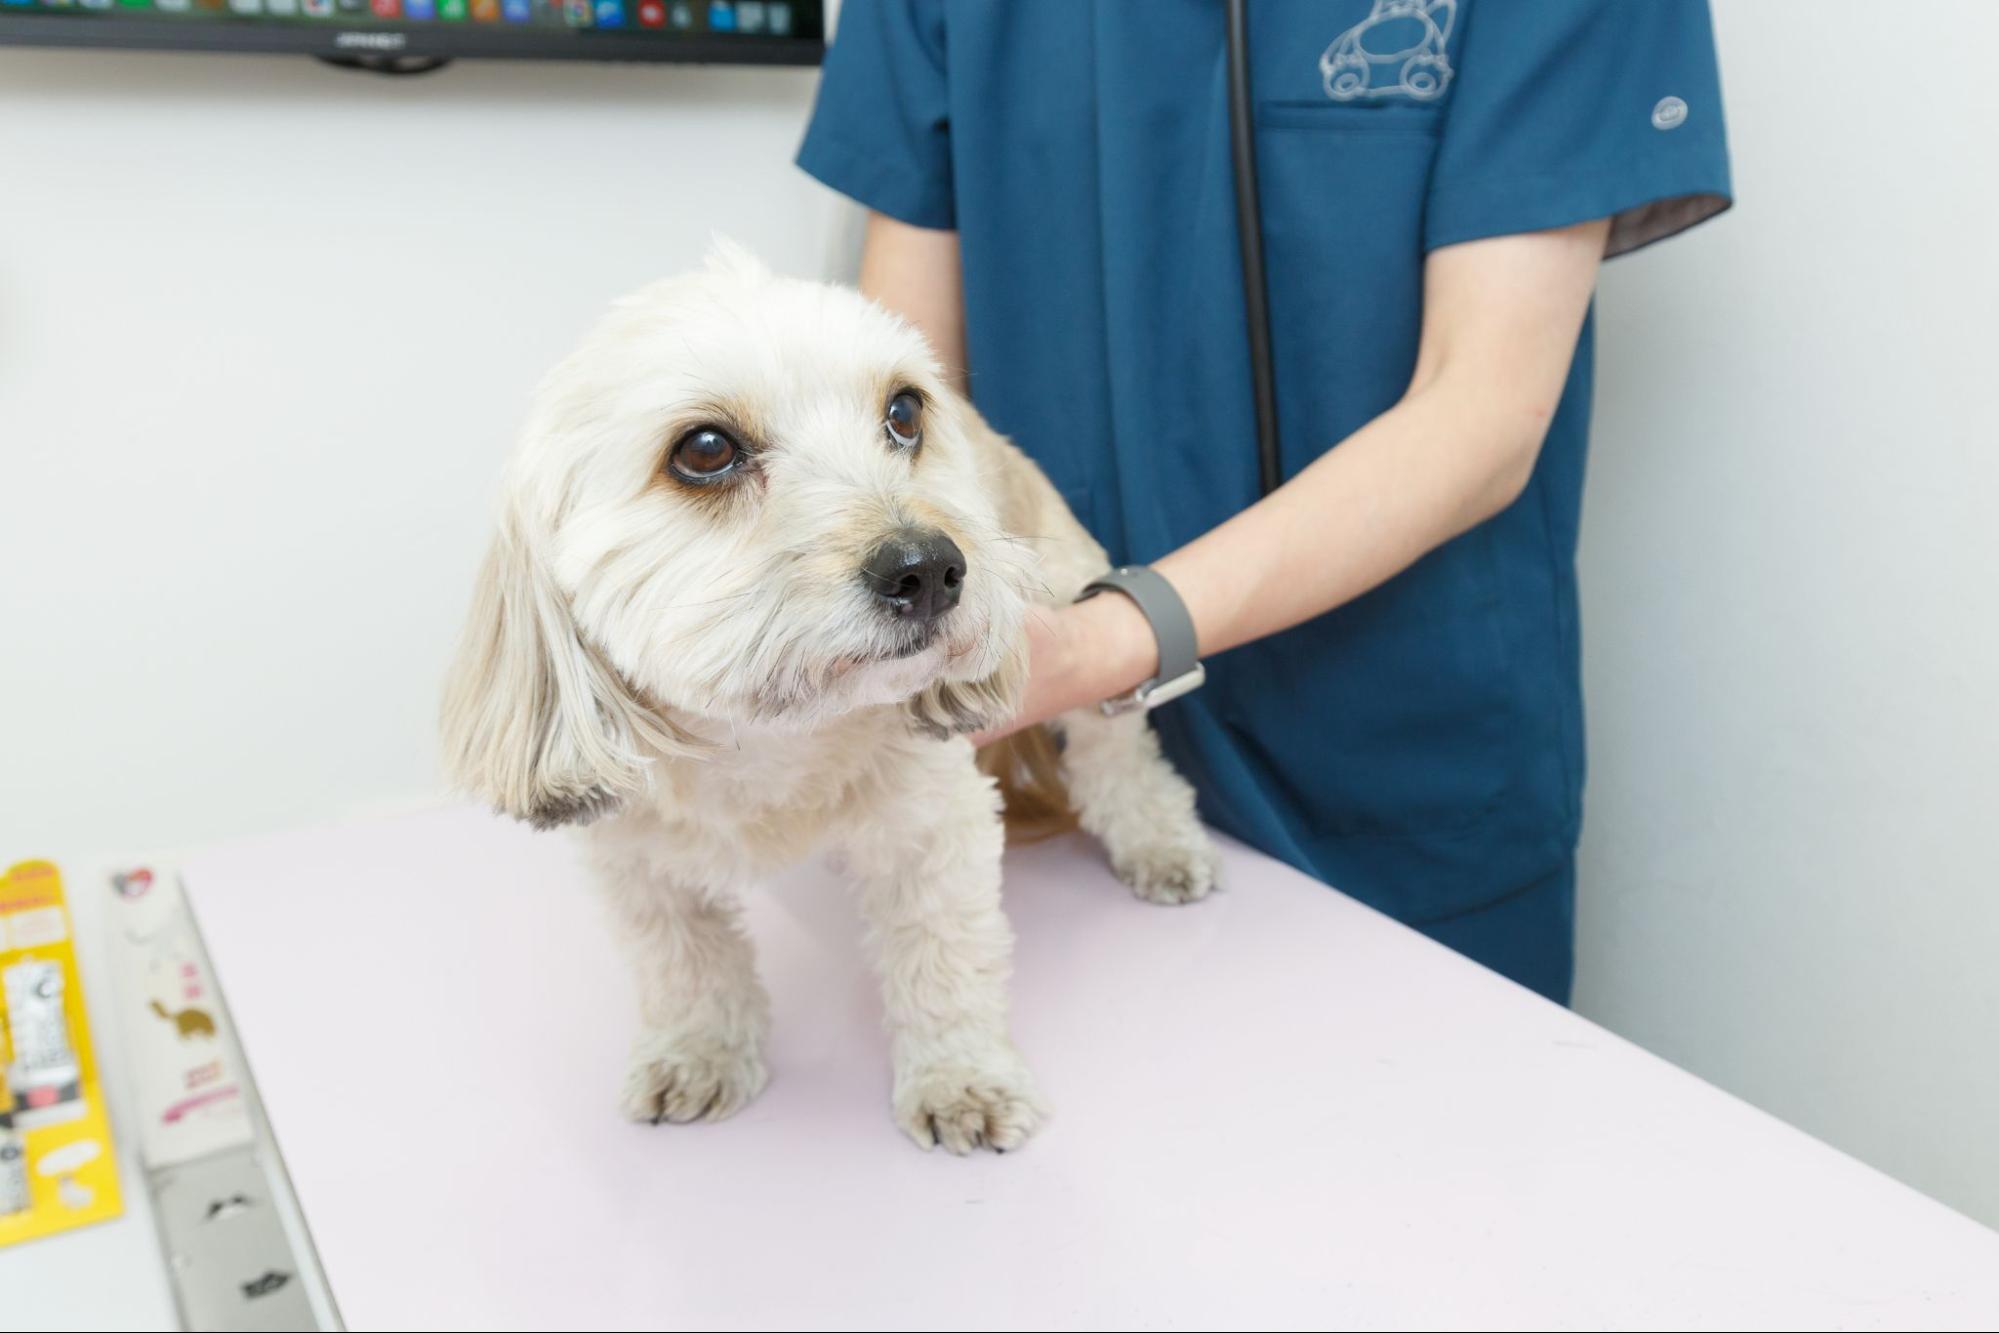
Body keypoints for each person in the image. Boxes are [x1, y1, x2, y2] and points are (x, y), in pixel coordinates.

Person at [796, 0, 1732, 1003]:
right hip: (1039, 781)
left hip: (1392, 771)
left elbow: (1484, 408)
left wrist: (1091, 648)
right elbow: (906, 394)